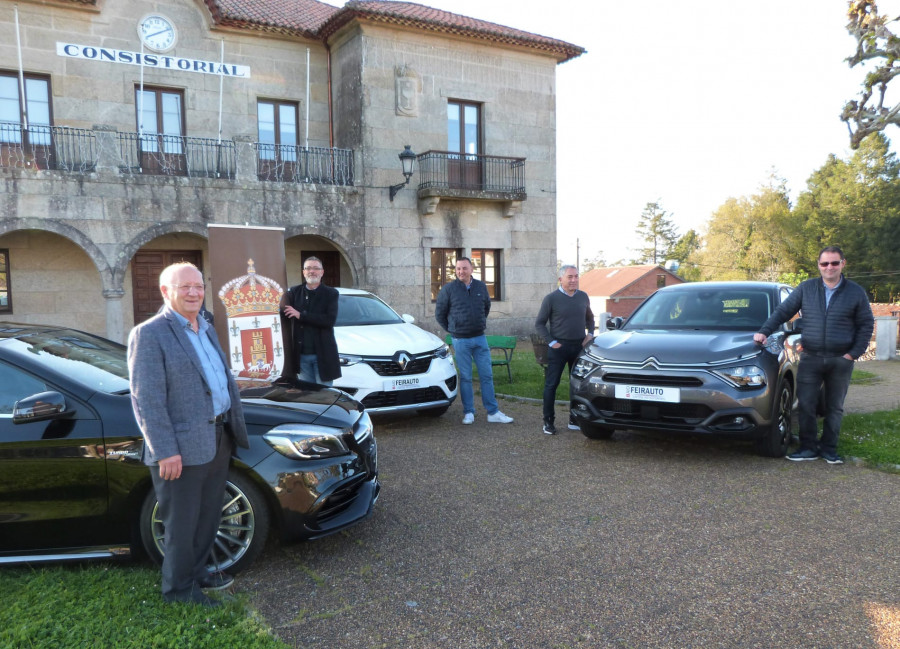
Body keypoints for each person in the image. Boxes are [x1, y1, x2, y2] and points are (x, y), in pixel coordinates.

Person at [128, 262, 250, 606]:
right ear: (166, 292)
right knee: (182, 524)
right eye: (185, 288)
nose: (194, 293)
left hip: (217, 437)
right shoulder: (149, 334)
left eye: (198, 286)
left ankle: (197, 573)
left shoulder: (205, 326)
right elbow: (146, 399)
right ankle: (178, 590)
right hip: (179, 448)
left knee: (209, 515)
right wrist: (165, 450)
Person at [753, 245, 874, 464]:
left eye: (834, 263)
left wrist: (853, 354)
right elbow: (783, 311)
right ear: (818, 266)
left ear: (842, 264)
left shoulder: (855, 292)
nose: (829, 267)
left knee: (834, 407)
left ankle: (829, 449)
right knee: (806, 405)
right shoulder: (806, 288)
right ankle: (808, 448)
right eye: (824, 263)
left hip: (840, 359)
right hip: (810, 357)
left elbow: (866, 324)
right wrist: (764, 331)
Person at [435, 257, 514, 425]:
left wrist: (478, 323)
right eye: (458, 269)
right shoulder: (449, 289)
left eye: (464, 268)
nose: (461, 271)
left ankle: (492, 412)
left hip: (480, 338)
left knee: (487, 375)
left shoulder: (481, 287)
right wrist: (453, 329)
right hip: (460, 340)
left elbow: (485, 307)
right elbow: (439, 314)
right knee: (466, 377)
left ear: (471, 269)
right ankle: (469, 412)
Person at [535, 265, 595, 435]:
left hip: (578, 347)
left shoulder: (583, 297)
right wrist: (551, 341)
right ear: (561, 279)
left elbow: (590, 319)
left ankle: (574, 418)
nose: (574, 280)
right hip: (558, 348)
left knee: (577, 386)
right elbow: (539, 323)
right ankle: (548, 421)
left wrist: (590, 334)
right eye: (570, 277)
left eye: (576, 276)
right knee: (551, 385)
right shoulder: (551, 299)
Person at [280, 256, 341, 386]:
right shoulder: (294, 292)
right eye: (307, 268)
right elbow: (282, 313)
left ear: (322, 272)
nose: (311, 271)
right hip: (301, 356)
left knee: (325, 396)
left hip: (323, 355)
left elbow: (329, 320)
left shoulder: (331, 294)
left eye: (315, 268)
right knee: (307, 398)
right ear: (303, 272)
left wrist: (301, 315)